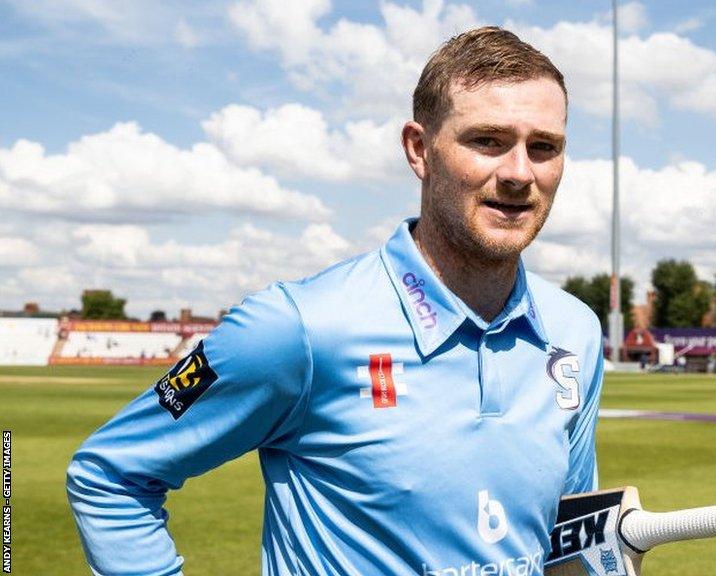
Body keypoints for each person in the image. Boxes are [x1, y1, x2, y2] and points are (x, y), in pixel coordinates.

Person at [66, 27, 603, 576]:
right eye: (487, 140)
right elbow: (109, 475)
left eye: (544, 147)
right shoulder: (293, 328)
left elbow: (567, 530)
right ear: (420, 150)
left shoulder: (575, 330)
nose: (518, 172)